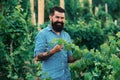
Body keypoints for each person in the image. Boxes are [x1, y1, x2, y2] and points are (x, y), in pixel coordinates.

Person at [34, 6, 75, 80]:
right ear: (50, 17)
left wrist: (80, 55)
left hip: (66, 77)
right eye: (57, 17)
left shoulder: (66, 35)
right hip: (50, 78)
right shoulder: (43, 34)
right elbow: (38, 57)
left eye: (62, 18)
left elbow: (69, 58)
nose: (60, 20)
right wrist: (53, 51)